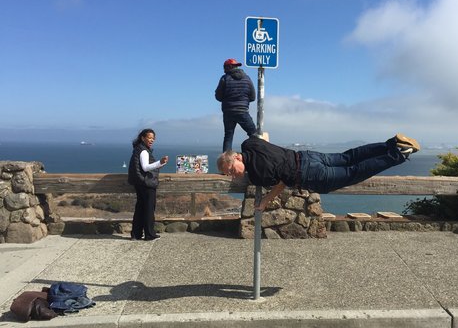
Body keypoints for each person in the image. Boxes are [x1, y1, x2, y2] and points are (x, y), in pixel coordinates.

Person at [217, 133, 420, 211]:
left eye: (232, 170)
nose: (234, 175)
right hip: (307, 156)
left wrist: (265, 201)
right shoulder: (249, 144)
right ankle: (391, 144)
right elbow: (264, 135)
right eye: (230, 175)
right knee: (349, 156)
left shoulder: (257, 175)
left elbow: (281, 183)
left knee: (354, 172)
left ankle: (398, 154)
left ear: (237, 158)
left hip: (309, 176)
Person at [127, 129, 169, 240]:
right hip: (146, 183)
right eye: (149, 138)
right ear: (143, 138)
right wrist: (160, 162)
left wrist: (160, 164)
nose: (152, 140)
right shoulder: (144, 151)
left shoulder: (138, 149)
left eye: (153, 138)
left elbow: (142, 167)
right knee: (149, 209)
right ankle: (149, 234)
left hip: (139, 183)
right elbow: (145, 167)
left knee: (140, 208)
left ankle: (136, 234)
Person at [215, 58, 257, 152]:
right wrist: (243, 101)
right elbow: (253, 97)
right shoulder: (247, 78)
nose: (224, 70)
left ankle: (226, 159)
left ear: (228, 67)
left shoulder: (224, 78)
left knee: (228, 136)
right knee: (253, 134)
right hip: (242, 111)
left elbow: (218, 97)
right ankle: (254, 154)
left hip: (228, 112)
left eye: (224, 67)